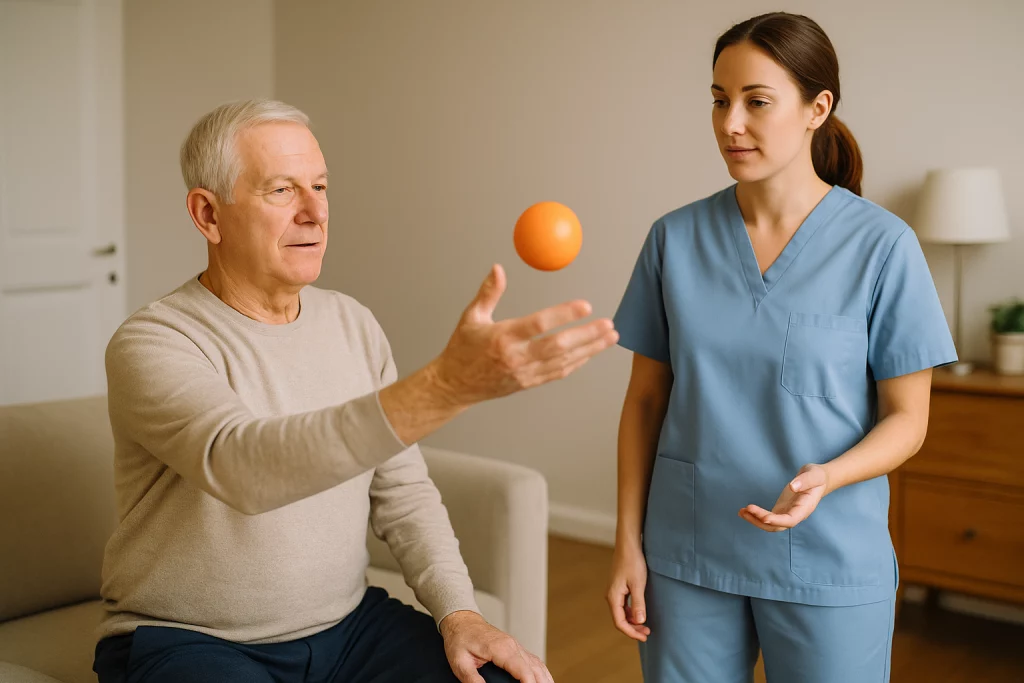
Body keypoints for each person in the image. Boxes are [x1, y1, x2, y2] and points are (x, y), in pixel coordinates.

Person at [93, 98, 618, 683]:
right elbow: (244, 468)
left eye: (320, 186)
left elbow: (403, 493)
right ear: (209, 215)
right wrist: (445, 387)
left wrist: (459, 613)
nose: (315, 212)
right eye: (281, 191)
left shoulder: (352, 323)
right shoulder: (153, 342)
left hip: (348, 631)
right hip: (189, 642)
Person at [606, 12, 956, 683]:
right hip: (687, 555)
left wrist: (829, 475)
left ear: (816, 108)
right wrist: (628, 542)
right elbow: (646, 401)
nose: (730, 123)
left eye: (756, 102)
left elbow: (908, 420)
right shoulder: (673, 240)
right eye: (718, 100)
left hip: (827, 556)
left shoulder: (883, 248)